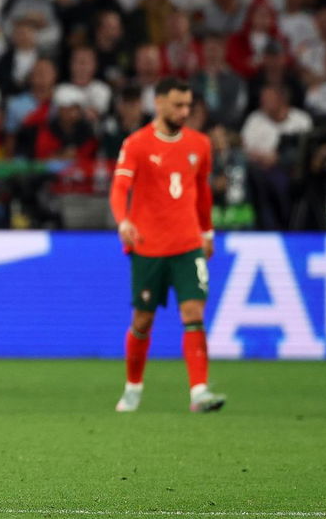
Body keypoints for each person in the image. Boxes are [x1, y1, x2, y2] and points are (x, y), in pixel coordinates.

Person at [108, 77, 224, 415]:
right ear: (158, 103)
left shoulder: (200, 144)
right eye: (178, 105)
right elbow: (119, 189)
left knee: (193, 313)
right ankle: (133, 388)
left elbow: (202, 192)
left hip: (188, 244)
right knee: (142, 321)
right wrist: (123, 221)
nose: (184, 112)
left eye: (188, 105)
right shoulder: (137, 144)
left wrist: (208, 232)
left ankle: (199, 391)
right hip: (148, 246)